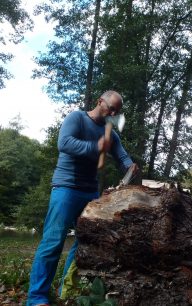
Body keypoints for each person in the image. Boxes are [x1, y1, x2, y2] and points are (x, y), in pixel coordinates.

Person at [27, 90, 138, 306]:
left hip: (90, 193)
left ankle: (67, 290)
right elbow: (65, 143)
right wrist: (94, 147)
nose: (113, 113)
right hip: (66, 188)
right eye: (111, 108)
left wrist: (130, 167)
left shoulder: (111, 134)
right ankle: (36, 297)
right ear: (100, 102)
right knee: (53, 242)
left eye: (117, 111)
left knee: (84, 243)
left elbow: (122, 157)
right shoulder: (76, 118)